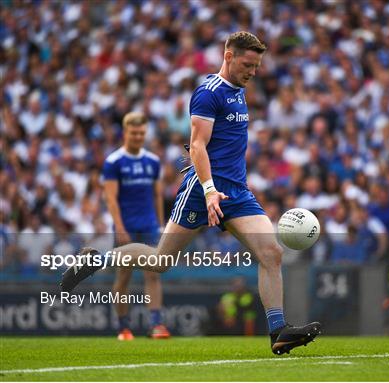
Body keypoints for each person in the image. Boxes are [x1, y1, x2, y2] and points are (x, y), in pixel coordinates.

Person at [61, 31, 321, 354]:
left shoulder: (239, 91)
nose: (253, 72)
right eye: (248, 64)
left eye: (257, 66)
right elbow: (197, 145)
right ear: (228, 56)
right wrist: (210, 190)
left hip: (237, 192)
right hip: (202, 191)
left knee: (272, 253)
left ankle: (278, 330)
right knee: (160, 261)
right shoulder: (207, 93)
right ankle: (95, 260)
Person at [101, 112, 170, 340]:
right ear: (125, 133)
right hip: (126, 226)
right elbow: (111, 198)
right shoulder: (114, 162)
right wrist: (119, 227)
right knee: (124, 276)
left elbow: (158, 195)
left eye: (142, 133)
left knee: (153, 273)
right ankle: (123, 327)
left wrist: (160, 226)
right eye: (134, 133)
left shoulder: (152, 161)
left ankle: (156, 324)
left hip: (149, 225)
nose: (138, 136)